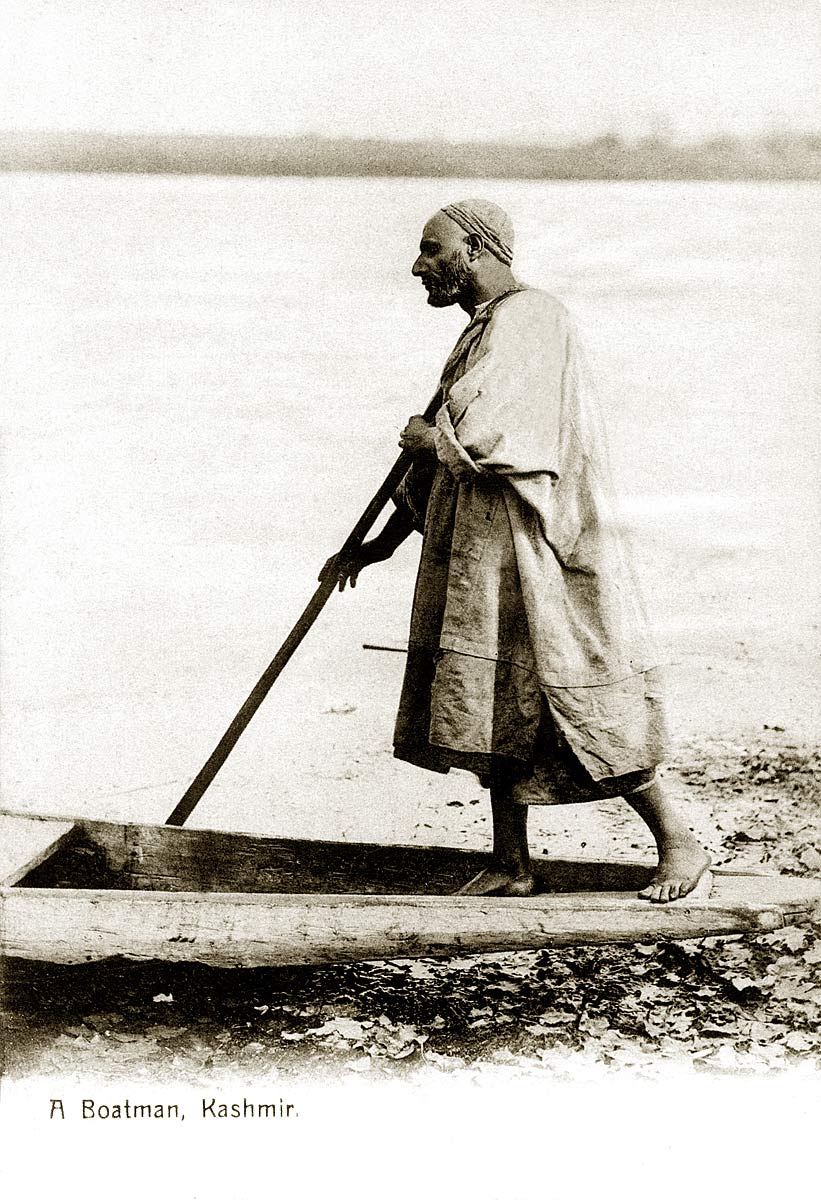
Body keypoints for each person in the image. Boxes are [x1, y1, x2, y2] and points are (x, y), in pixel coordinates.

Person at [328, 199, 710, 902]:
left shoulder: (532, 318)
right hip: (479, 555)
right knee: (489, 698)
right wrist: (373, 548)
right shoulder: (484, 330)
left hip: (533, 551)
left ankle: (679, 840)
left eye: (432, 248)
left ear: (475, 250)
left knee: (564, 692)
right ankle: (511, 862)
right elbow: (442, 464)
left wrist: (429, 438)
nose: (420, 266)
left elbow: (499, 437)